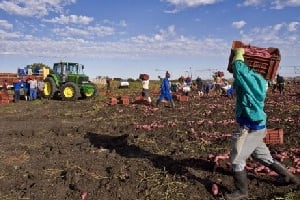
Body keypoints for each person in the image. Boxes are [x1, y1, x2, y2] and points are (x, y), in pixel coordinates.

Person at [225, 48, 299, 200]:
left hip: (250, 126)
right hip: (257, 125)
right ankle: (289, 177)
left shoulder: (254, 80)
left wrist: (238, 55)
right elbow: (239, 76)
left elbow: (240, 71)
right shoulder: (258, 79)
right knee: (262, 156)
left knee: (237, 158)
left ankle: (242, 192)